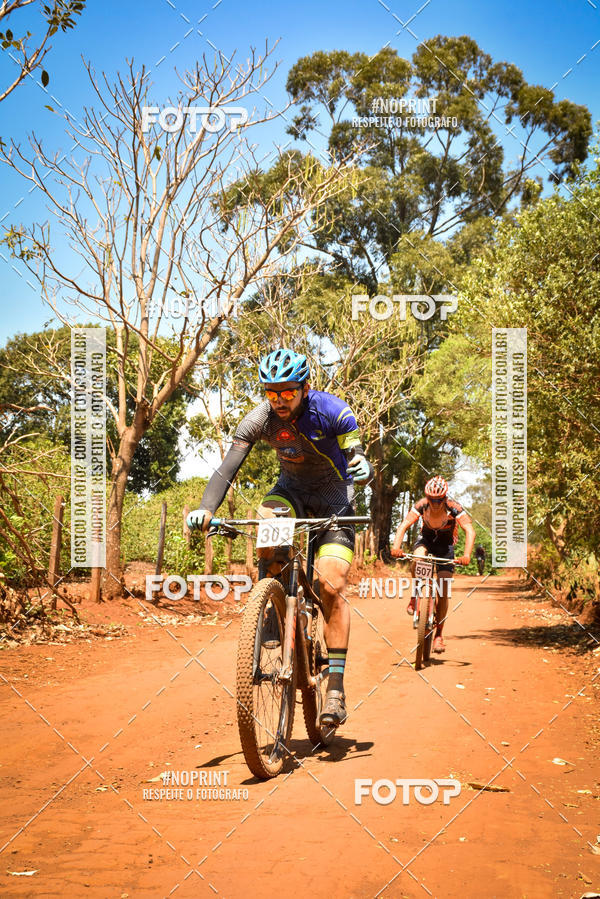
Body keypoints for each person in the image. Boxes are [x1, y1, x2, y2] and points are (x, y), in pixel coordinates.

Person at [186, 348, 373, 728]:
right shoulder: (259, 420)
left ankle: (334, 687)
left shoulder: (334, 411)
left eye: (288, 392)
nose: (280, 400)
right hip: (289, 493)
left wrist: (363, 465)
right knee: (266, 520)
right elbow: (226, 470)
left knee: (330, 586)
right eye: (272, 393)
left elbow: (355, 454)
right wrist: (207, 508)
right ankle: (270, 606)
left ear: (305, 388)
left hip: (334, 501)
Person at [390, 476, 475, 653]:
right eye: (432, 499)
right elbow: (404, 525)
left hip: (445, 546)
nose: (435, 503)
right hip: (426, 541)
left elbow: (470, 531)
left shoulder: (454, 508)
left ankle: (439, 635)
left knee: (443, 591)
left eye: (439, 499)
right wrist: (396, 547)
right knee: (418, 558)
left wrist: (466, 555)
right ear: (427, 498)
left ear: (445, 497)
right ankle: (415, 595)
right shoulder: (422, 505)